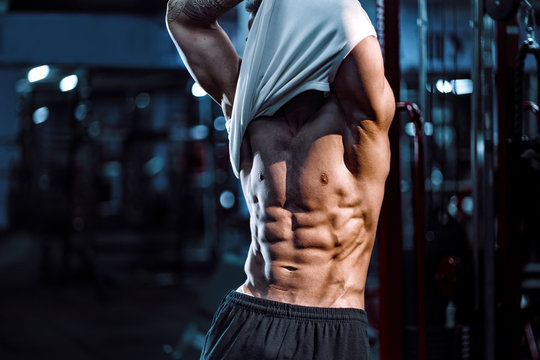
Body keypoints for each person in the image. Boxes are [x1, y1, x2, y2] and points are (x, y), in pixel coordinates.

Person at [166, 0, 395, 358]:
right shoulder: (243, 104)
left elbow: (347, 25)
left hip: (330, 326)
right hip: (249, 314)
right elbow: (182, 18)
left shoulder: (359, 119)